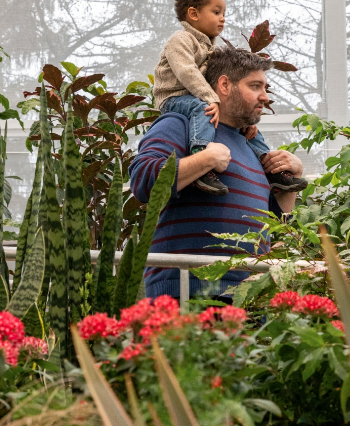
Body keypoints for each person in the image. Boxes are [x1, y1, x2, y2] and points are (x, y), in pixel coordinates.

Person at [130, 46, 305, 300]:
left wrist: (290, 182)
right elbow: (142, 180)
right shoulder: (181, 124)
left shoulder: (250, 147)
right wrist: (205, 159)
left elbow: (274, 225)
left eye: (265, 88)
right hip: (187, 294)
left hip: (250, 297)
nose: (265, 97)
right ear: (224, 85)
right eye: (255, 86)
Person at [153, 0, 307, 196]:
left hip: (196, 98)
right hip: (175, 97)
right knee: (202, 109)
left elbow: (279, 217)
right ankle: (201, 156)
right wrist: (211, 99)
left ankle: (271, 169)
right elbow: (186, 71)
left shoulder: (210, 48)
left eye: (223, 13)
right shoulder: (180, 40)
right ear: (193, 14)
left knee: (250, 129)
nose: (222, 18)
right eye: (216, 12)